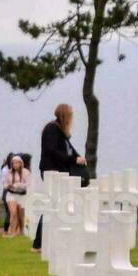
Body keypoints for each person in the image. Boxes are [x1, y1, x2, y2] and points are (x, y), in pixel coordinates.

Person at [34, 103, 87, 251]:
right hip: (52, 172)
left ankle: (47, 242)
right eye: (71, 116)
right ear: (66, 116)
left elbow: (70, 150)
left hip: (59, 172)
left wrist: (78, 158)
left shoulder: (60, 132)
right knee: (53, 205)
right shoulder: (53, 129)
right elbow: (52, 151)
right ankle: (38, 243)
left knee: (58, 205)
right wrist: (73, 160)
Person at [2, 153, 31, 238]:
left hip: (22, 195)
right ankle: (12, 232)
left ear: (21, 163)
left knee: (21, 214)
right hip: (11, 194)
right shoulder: (9, 173)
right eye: (13, 163)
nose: (15, 165)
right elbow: (4, 183)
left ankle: (21, 230)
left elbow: (28, 184)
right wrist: (8, 186)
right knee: (13, 213)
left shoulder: (26, 172)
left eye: (17, 163)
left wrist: (18, 185)